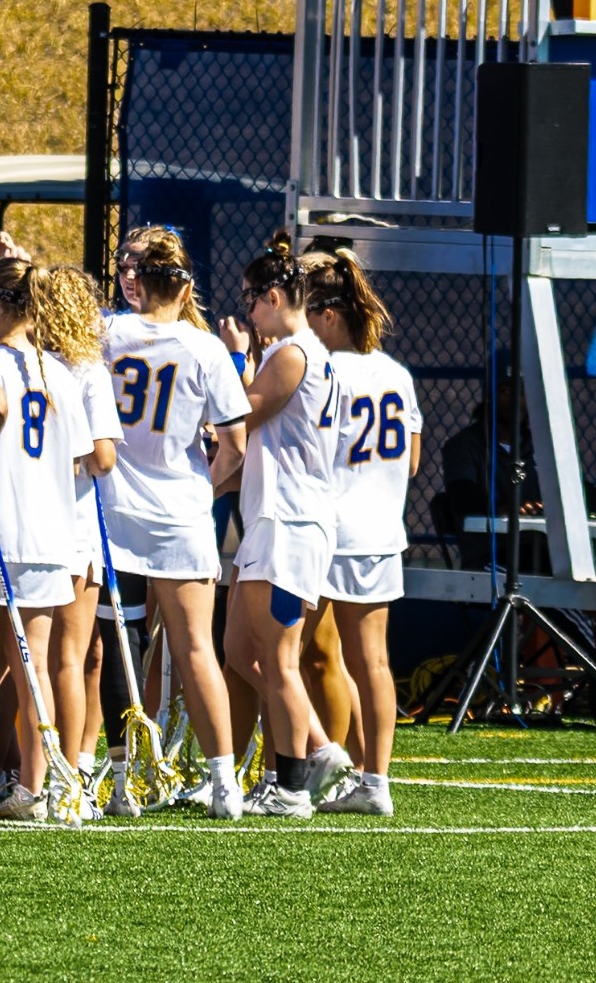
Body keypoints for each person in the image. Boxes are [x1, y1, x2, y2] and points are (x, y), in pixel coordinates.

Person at [100, 228, 250, 819]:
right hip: (180, 515)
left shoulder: (107, 333)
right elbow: (234, 446)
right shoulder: (206, 347)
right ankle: (224, 786)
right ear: (184, 281)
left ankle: (119, 784)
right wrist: (196, 491)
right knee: (195, 650)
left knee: (121, 646)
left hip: (115, 511)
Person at [219, 246, 348, 819]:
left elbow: (240, 413)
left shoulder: (292, 354)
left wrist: (233, 359)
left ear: (272, 298)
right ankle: (318, 748)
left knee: (277, 659)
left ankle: (293, 786)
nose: (247, 313)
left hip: (289, 520)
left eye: (251, 301)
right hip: (277, 518)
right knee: (239, 650)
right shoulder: (300, 353)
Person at [0, 258, 93, 822]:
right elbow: (78, 461)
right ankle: (32, 790)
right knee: (33, 666)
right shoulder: (61, 374)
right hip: (47, 534)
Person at [302, 249, 419, 816]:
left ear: (327, 315)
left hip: (329, 527)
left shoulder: (326, 370)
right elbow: (412, 459)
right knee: (372, 660)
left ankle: (307, 764)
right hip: (381, 530)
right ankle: (376, 782)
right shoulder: (395, 372)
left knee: (270, 653)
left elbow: (310, 450)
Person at [30, 266, 121, 819]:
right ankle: (72, 775)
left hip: (39, 522)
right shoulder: (86, 369)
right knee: (71, 656)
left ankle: (51, 773)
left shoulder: (26, 363)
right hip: (75, 523)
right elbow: (104, 458)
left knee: (50, 656)